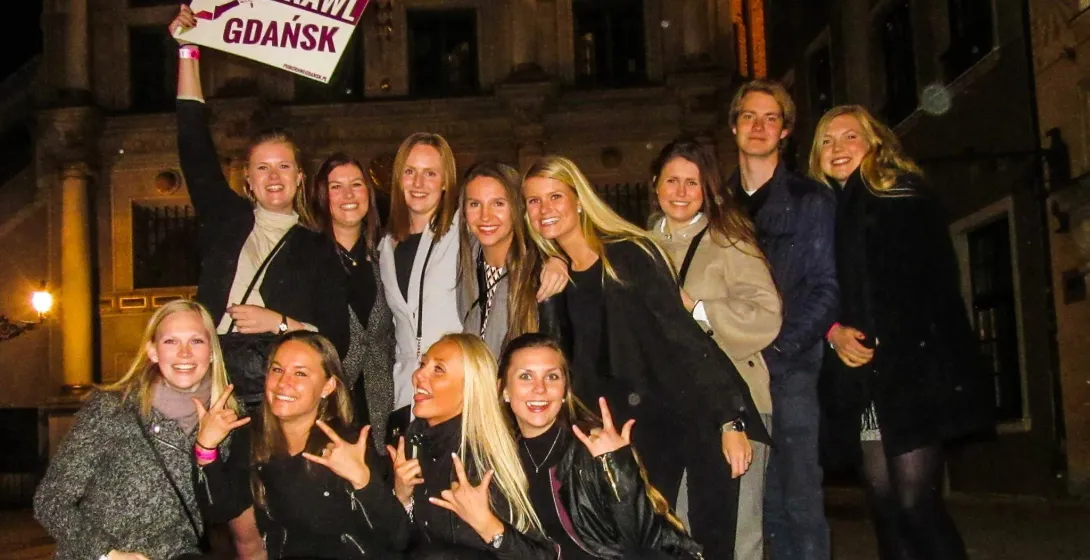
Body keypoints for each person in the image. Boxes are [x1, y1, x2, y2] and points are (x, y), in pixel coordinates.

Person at [522, 155, 770, 558]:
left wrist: (729, 418)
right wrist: (550, 290)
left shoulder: (629, 254)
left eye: (555, 197)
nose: (544, 209)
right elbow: (562, 365)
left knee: (707, 548)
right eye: (533, 201)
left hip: (687, 417)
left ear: (579, 200)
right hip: (627, 433)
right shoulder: (556, 274)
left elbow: (684, 336)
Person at [810, 105, 994, 560]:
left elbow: (926, 287)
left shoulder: (901, 195)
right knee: (885, 504)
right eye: (828, 141)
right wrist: (833, 332)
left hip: (912, 375)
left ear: (874, 143)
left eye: (850, 137)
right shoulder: (827, 212)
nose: (838, 149)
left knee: (916, 502)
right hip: (869, 384)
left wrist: (893, 347)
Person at [170, 5, 349, 394]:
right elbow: (193, 142)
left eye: (283, 167)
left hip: (281, 389)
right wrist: (188, 52)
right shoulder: (226, 219)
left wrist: (279, 322)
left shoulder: (319, 248)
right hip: (214, 381)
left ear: (299, 178)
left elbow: (338, 338)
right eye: (262, 168)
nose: (273, 177)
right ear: (247, 181)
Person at [647, 137, 782, 560]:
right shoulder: (640, 245)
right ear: (655, 185)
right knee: (678, 526)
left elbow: (767, 315)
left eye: (692, 183)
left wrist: (699, 309)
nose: (681, 192)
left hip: (737, 401)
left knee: (738, 532)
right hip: (673, 408)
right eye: (672, 181)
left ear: (706, 189)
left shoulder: (728, 239)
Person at [726, 79, 838, 560]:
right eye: (749, 116)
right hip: (734, 373)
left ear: (786, 131)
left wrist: (776, 352)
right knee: (756, 502)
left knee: (799, 500)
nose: (759, 126)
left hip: (788, 370)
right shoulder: (717, 205)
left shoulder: (810, 200)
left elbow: (826, 290)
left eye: (771, 118)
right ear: (733, 126)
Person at [35, 300, 237, 560]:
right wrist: (108, 554)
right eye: (170, 342)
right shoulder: (112, 408)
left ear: (211, 352)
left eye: (196, 341)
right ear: (152, 351)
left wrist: (207, 450)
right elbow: (50, 501)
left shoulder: (229, 418)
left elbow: (222, 510)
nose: (184, 353)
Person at [193, 331, 410, 559]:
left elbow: (398, 538)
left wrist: (363, 480)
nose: (283, 383)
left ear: (327, 387)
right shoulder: (252, 437)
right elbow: (220, 509)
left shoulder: (346, 445)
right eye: (277, 370)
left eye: (300, 374)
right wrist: (205, 449)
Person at [498, 332, 704, 559]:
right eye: (526, 377)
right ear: (504, 389)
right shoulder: (504, 459)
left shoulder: (591, 448)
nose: (540, 388)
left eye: (552, 377)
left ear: (565, 391)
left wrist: (618, 466)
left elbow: (642, 543)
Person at [386, 333, 555, 559]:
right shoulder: (415, 441)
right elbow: (399, 543)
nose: (418, 376)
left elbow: (544, 556)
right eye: (423, 364)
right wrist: (402, 498)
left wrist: (487, 524)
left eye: (438, 370)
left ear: (469, 389)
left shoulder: (485, 459)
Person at [307, 152, 397, 450]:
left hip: (380, 408)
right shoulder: (306, 256)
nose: (348, 194)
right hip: (327, 405)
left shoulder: (384, 255)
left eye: (356, 185)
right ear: (323, 195)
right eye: (336, 186)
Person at [378, 133, 463, 424]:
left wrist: (555, 258)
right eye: (410, 172)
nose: (418, 183)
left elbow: (513, 239)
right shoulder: (385, 246)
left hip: (456, 388)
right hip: (406, 391)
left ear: (445, 182)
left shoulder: (463, 231)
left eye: (430, 173)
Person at [456, 160, 568, 357]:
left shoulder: (540, 273)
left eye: (498, 203)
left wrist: (560, 258)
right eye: (475, 204)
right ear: (464, 212)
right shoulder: (466, 260)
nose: (485, 216)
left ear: (517, 207)